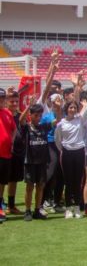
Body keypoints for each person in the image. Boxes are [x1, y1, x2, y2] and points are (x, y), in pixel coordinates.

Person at [54, 83, 87, 219]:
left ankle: (76, 207)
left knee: (78, 181)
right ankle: (68, 208)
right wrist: (64, 149)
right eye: (70, 107)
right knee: (68, 181)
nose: (73, 109)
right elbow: (58, 140)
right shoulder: (61, 123)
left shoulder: (80, 119)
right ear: (66, 109)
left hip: (80, 152)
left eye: (75, 107)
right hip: (67, 153)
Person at [18, 103, 59, 221]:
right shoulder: (26, 127)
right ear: (30, 115)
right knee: (29, 187)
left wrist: (58, 108)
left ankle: (37, 210)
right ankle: (27, 211)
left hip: (42, 162)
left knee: (40, 186)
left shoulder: (43, 126)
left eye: (40, 115)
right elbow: (21, 120)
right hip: (30, 162)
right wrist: (28, 106)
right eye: (36, 115)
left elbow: (57, 121)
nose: (38, 118)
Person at [0, 89, 17, 223]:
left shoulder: (7, 113)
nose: (1, 100)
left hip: (6, 153)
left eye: (2, 98)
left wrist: (11, 141)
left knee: (2, 182)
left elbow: (14, 129)